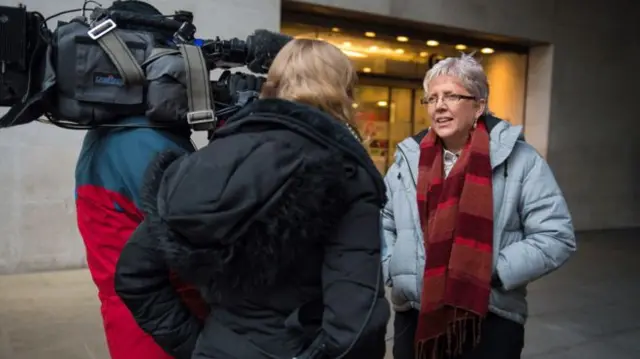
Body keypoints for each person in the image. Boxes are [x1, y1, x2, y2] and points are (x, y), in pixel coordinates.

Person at [114, 38, 390, 359]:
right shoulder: (345, 172)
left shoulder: (211, 159)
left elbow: (134, 274)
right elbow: (356, 325)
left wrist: (197, 345)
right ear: (344, 91)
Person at [381, 53, 576, 359]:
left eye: (451, 96)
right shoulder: (408, 160)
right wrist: (396, 266)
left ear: (479, 106)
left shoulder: (521, 161)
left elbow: (556, 236)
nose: (439, 106)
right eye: (431, 98)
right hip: (417, 316)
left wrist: (488, 271)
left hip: (488, 317)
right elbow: (384, 221)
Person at [74, 2, 207, 359]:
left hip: (133, 321)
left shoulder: (111, 131)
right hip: (167, 324)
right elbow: (203, 237)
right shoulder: (142, 140)